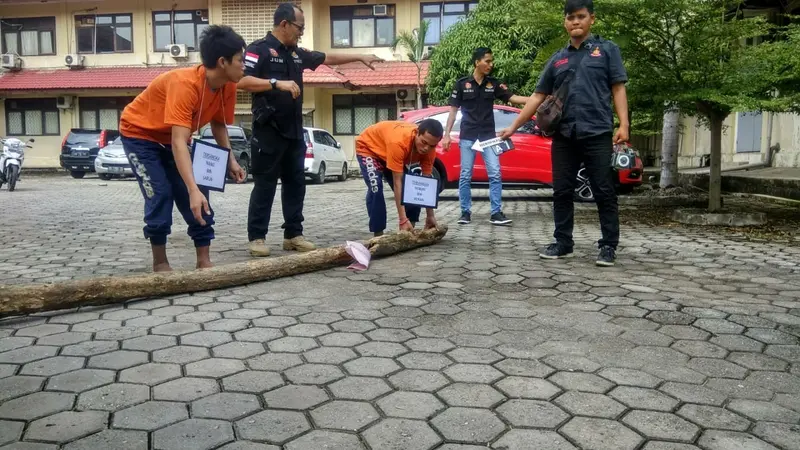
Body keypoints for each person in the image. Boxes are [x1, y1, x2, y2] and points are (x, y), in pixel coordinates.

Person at [239, 3, 384, 257]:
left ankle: (293, 235)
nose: (301, 33)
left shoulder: (297, 53)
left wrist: (359, 56)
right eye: (299, 27)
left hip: (294, 131)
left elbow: (325, 57)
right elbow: (241, 80)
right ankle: (257, 237)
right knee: (265, 185)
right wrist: (276, 83)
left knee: (296, 184)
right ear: (284, 24)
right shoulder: (258, 50)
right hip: (268, 131)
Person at [499, 0, 629, 267]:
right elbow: (537, 96)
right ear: (565, 22)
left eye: (581, 16)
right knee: (561, 190)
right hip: (564, 135)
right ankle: (563, 242)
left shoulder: (607, 51)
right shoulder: (557, 59)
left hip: (597, 132)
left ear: (591, 19)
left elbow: (618, 88)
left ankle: (608, 246)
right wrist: (513, 127)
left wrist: (624, 125)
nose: (576, 22)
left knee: (604, 190)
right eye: (571, 17)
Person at [119, 25, 247, 272]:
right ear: (223, 62)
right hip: (140, 135)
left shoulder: (229, 85)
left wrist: (231, 159)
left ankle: (203, 260)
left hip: (173, 139)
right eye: (241, 60)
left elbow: (219, 124)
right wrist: (191, 189)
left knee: (202, 191)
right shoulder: (184, 84)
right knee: (161, 192)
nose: (245, 66)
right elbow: (179, 141)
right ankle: (160, 262)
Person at [443, 47, 529, 226]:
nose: (491, 64)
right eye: (487, 61)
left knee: (495, 173)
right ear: (477, 62)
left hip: (488, 136)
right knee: (466, 175)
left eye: (491, 61)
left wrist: (538, 98)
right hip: (468, 136)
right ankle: (465, 213)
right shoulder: (461, 84)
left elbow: (513, 99)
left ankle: (496, 213)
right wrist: (446, 135)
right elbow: (452, 111)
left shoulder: (494, 84)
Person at [355, 119, 443, 236]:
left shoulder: (430, 150)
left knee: (412, 187)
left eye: (432, 145)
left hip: (389, 152)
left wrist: (430, 215)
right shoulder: (399, 142)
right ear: (417, 133)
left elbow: (425, 183)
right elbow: (398, 182)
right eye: (424, 142)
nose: (426, 148)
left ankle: (409, 229)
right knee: (376, 188)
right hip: (369, 149)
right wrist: (402, 219)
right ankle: (378, 234)